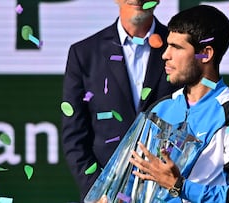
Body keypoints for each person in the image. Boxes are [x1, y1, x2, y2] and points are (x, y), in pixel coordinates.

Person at [126, 5, 229, 203]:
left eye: (176, 47)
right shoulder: (160, 109)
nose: (165, 55)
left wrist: (180, 186)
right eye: (168, 45)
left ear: (206, 54)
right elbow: (133, 185)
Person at [61, 0, 180, 202]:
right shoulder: (84, 53)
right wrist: (97, 191)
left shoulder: (179, 49)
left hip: (167, 194)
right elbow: (74, 136)